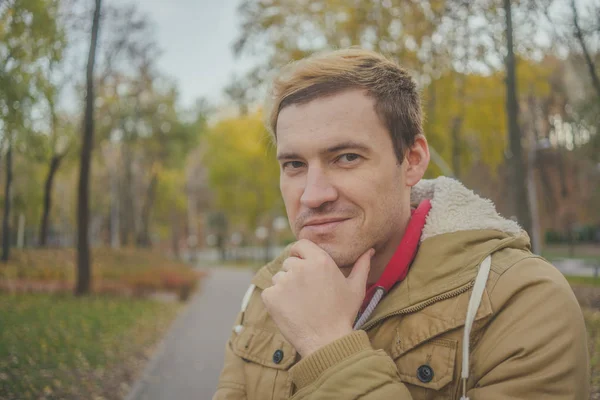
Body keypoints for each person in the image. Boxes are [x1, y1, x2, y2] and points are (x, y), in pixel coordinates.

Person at [212, 48, 589, 400]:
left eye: (346, 157)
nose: (313, 195)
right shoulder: (269, 291)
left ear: (411, 161)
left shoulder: (519, 301)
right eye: (294, 164)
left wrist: (328, 346)